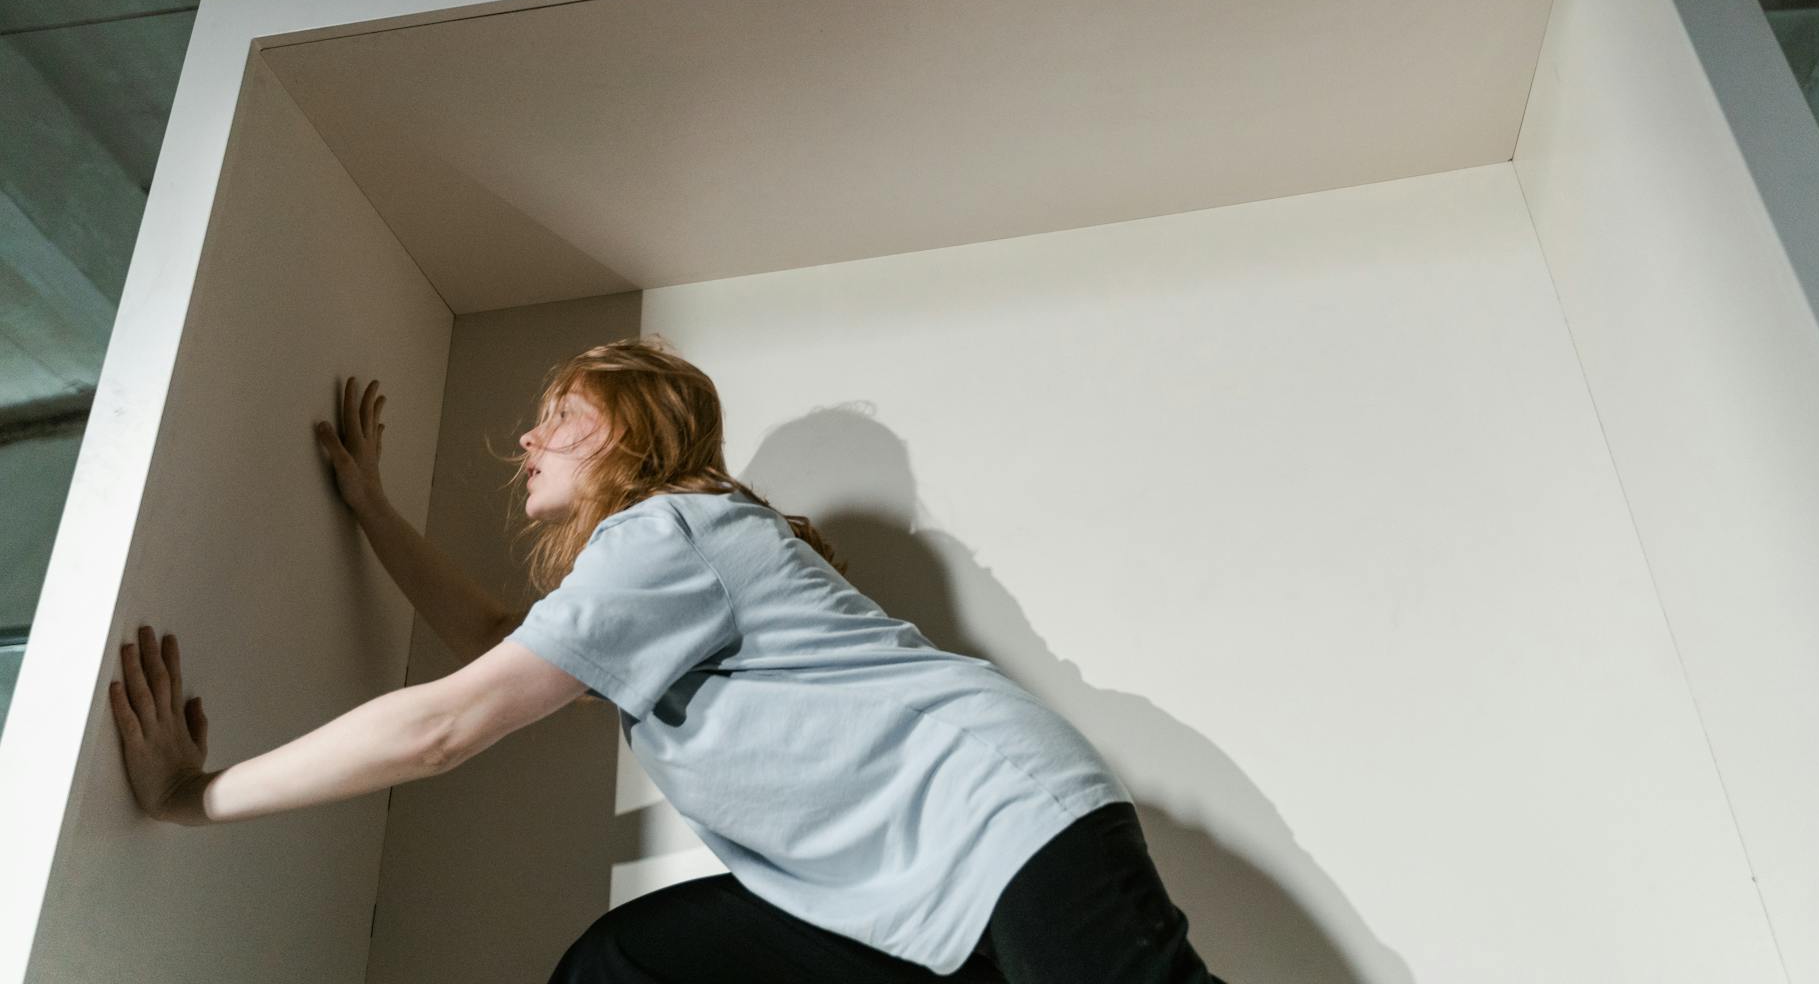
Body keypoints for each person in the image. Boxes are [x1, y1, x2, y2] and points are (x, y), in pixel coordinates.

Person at [108, 334, 1226, 982]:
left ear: (636, 425)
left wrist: (195, 796)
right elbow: (501, 647)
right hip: (893, 888)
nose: (527, 438)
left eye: (560, 413)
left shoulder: (672, 533)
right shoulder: (656, 577)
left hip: (995, 820)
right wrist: (372, 509)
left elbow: (447, 722)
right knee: (626, 970)